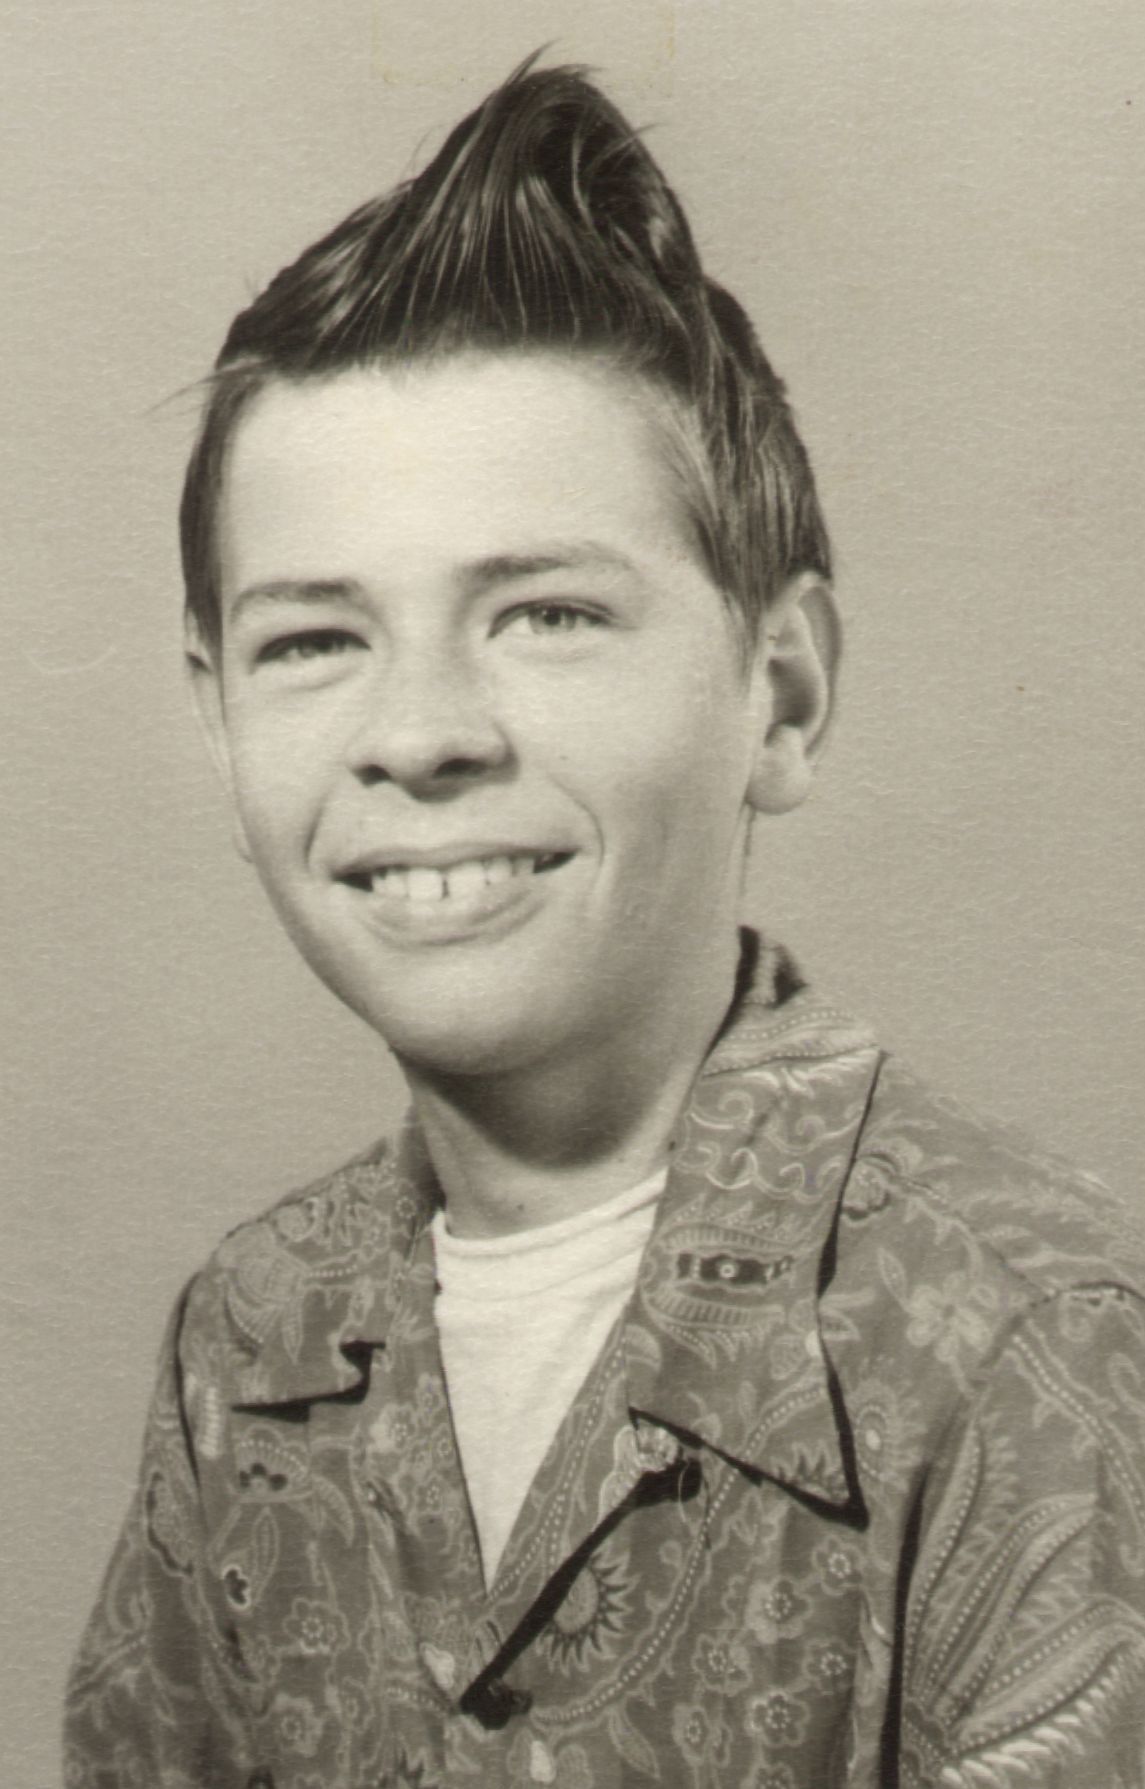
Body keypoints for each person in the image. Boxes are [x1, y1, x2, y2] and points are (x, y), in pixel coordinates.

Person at [64, 58, 1145, 1789]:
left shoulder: (1028, 1344)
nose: (420, 732)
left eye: (548, 613)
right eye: (313, 640)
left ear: (780, 693)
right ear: (218, 719)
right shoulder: (250, 1334)